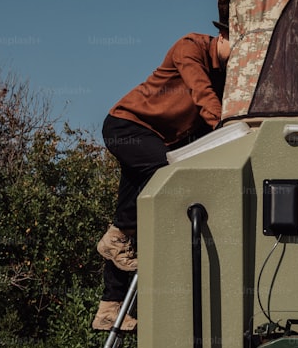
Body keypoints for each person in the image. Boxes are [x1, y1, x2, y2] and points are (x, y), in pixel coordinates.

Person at [93, 22, 231, 331]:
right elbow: (201, 93)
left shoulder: (225, 76)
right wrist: (227, 131)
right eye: (238, 46)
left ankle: (108, 309)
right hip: (127, 126)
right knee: (167, 175)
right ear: (223, 36)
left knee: (127, 226)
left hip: (154, 140)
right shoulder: (190, 47)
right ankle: (115, 239)